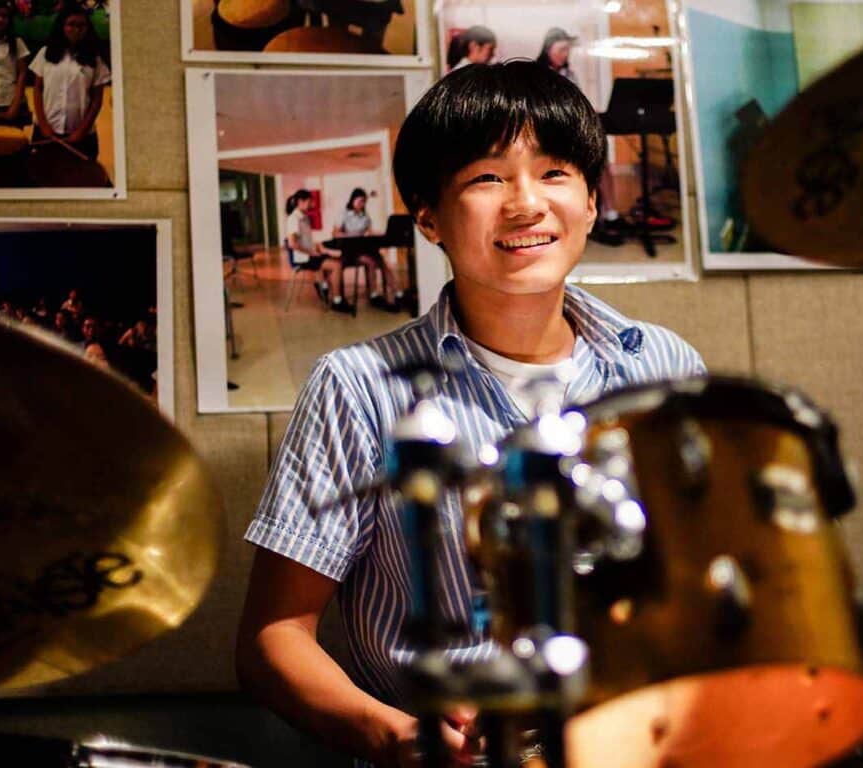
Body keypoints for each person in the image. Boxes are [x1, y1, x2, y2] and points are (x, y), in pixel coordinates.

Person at [234, 61, 705, 768]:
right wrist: (389, 733)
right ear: (427, 215)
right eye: (487, 178)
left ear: (588, 198)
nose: (526, 205)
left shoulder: (663, 366)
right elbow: (275, 638)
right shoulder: (360, 387)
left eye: (554, 173)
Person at [29, 3, 110, 160]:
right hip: (46, 130)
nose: (77, 30)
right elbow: (38, 89)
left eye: (81, 25)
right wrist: (43, 125)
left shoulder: (95, 58)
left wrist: (81, 131)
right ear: (62, 26)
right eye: (71, 24)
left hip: (81, 134)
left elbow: (97, 100)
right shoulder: (46, 53)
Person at [332, 187, 400, 312]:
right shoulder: (344, 214)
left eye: (364, 201)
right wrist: (354, 235)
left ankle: (397, 293)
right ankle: (373, 295)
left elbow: (368, 232)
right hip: (350, 250)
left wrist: (379, 234)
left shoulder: (365, 217)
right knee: (371, 262)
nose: (362, 204)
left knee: (382, 262)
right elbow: (335, 234)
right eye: (359, 201)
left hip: (364, 248)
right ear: (352, 200)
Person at [287, 189, 352, 313]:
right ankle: (337, 301)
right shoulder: (294, 219)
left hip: (310, 254)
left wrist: (318, 248)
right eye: (310, 201)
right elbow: (292, 244)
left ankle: (325, 287)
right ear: (300, 201)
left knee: (337, 260)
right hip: (304, 258)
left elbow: (305, 241)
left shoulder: (304, 217)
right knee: (336, 265)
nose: (312, 204)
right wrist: (311, 252)